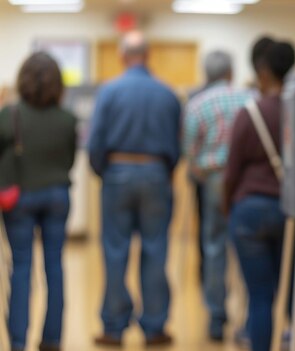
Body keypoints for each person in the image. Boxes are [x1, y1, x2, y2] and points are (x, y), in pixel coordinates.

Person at [88, 31, 181, 347]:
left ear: (122, 56)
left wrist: (105, 170)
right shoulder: (167, 94)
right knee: (156, 250)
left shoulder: (109, 92)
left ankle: (113, 328)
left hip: (117, 174)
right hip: (157, 174)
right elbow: (176, 144)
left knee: (115, 252)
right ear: (148, 55)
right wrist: (161, 170)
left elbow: (95, 141)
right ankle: (154, 327)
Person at [223, 38, 295, 351]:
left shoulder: (249, 114)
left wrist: (227, 207)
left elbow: (231, 171)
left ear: (263, 71)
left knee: (260, 296)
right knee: (293, 295)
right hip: (291, 209)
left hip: (250, 210)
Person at [0, 52, 77, 351]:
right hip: (58, 195)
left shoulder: (9, 114)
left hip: (19, 199)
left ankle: (18, 341)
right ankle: (52, 339)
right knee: (54, 266)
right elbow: (69, 160)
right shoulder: (67, 119)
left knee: (21, 266)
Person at [183, 50, 253, 341]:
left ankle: (216, 316)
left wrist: (203, 175)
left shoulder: (197, 105)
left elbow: (191, 153)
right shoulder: (250, 100)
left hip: (213, 179)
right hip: (246, 181)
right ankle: (249, 320)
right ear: (230, 72)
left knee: (213, 247)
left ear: (206, 74)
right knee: (248, 248)